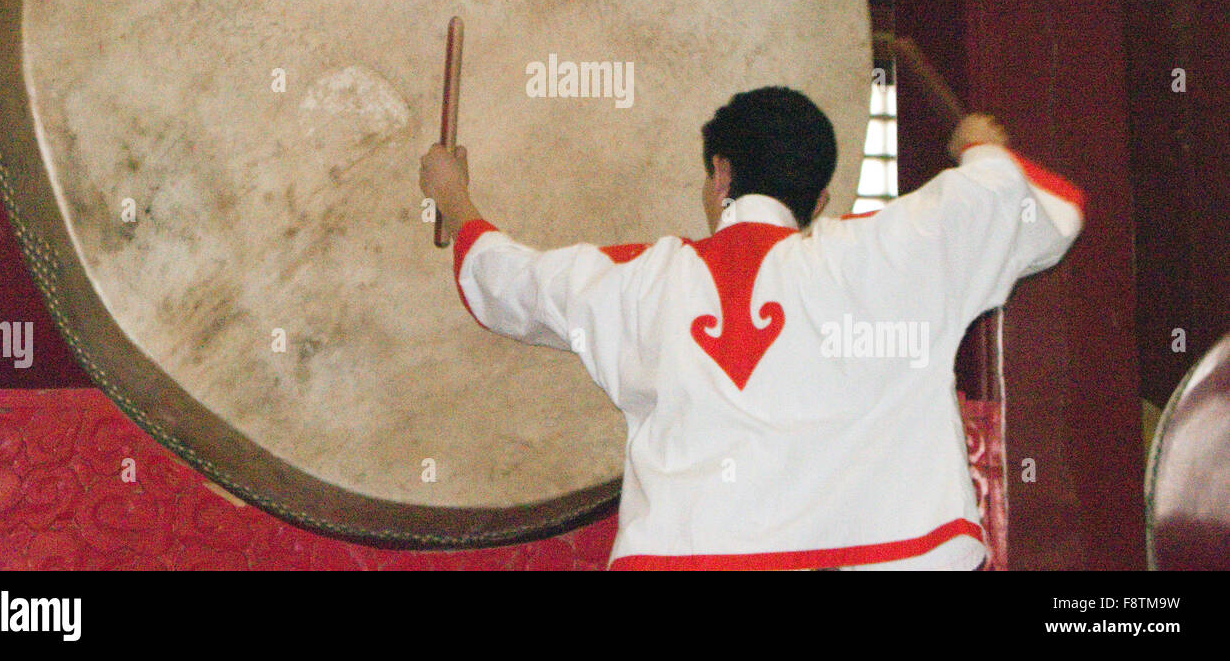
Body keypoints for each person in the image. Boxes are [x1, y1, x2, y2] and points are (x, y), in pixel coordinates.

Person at [418, 86, 1084, 570]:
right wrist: (977, 144)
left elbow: (510, 282)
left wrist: (453, 194)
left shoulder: (643, 279)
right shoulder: (884, 252)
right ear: (819, 200)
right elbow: (1020, 203)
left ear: (720, 174)